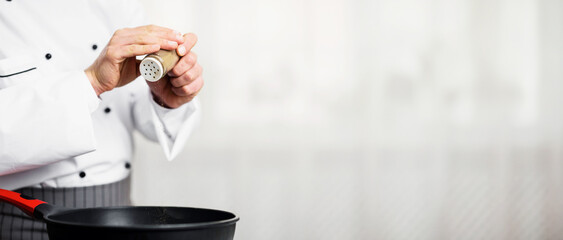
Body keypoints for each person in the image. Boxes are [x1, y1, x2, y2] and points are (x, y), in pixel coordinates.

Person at [0, 1, 204, 239]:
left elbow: (135, 108)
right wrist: (92, 81)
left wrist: (164, 99)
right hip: (23, 216)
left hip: (119, 213)